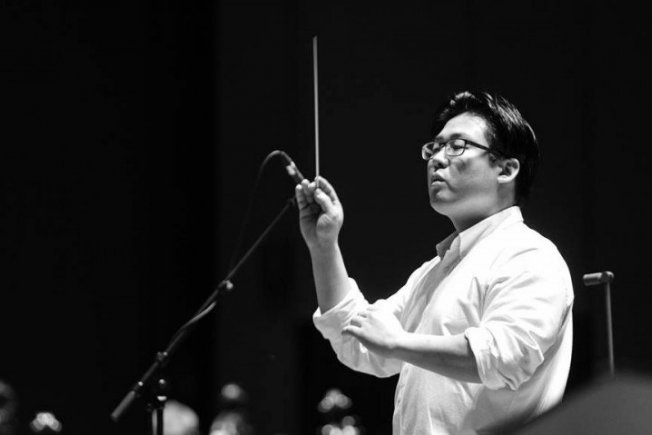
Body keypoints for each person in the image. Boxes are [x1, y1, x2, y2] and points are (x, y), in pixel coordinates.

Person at [295, 91, 574, 434]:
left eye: (456, 146)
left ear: (506, 169)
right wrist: (324, 246)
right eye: (434, 148)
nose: (437, 160)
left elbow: (504, 357)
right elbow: (360, 342)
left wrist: (398, 343)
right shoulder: (434, 272)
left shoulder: (530, 255)